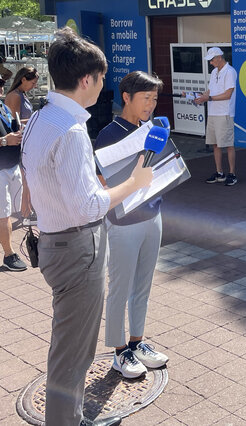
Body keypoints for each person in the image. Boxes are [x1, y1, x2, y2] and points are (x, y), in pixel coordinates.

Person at [21, 27, 153, 426]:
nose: (102, 86)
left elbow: (40, 180)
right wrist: (133, 183)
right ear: (86, 79)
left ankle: (70, 414)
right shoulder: (72, 130)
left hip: (55, 243)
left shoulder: (41, 118)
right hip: (77, 247)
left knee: (71, 343)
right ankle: (65, 419)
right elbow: (87, 206)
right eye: (101, 78)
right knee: (73, 350)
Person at [94, 71, 170, 380]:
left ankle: (137, 343)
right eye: (145, 98)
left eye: (154, 99)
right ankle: (119, 350)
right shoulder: (109, 134)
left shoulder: (152, 128)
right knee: (120, 288)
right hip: (123, 222)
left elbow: (159, 166)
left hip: (153, 215)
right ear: (126, 97)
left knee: (143, 286)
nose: (150, 104)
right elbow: (102, 182)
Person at [194, 47, 238, 186]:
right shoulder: (214, 72)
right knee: (215, 144)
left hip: (225, 113)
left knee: (229, 145)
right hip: (213, 113)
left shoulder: (230, 72)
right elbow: (210, 90)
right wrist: (201, 97)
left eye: (212, 60)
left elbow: (228, 94)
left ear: (219, 57)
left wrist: (208, 98)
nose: (211, 63)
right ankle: (219, 173)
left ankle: (232, 174)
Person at [0, 77, 27, 272]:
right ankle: (9, 254)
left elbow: (10, 128)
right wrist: (4, 141)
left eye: (1, 84)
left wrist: (20, 129)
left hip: (11, 166)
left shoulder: (2, 105)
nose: (1, 87)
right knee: (4, 215)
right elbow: (5, 139)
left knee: (9, 212)